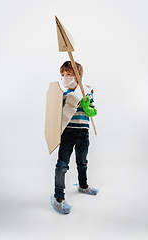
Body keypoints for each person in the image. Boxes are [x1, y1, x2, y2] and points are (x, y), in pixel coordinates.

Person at [50, 61, 98, 214]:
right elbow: (56, 115)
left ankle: (83, 186)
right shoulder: (62, 95)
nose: (65, 78)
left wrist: (86, 105)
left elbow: (93, 113)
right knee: (62, 165)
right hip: (67, 133)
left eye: (69, 74)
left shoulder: (87, 93)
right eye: (63, 75)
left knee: (82, 162)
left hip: (83, 133)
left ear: (77, 77)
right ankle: (59, 197)